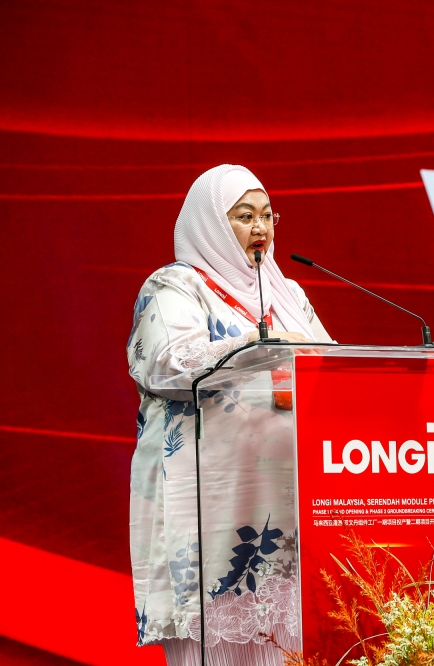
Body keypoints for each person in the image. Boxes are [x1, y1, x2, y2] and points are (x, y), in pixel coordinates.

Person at [127, 164, 333, 665]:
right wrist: (257, 344)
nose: (260, 227)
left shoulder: (288, 294)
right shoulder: (176, 285)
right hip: (208, 496)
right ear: (210, 224)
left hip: (289, 495)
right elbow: (166, 363)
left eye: (267, 215)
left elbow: (332, 364)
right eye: (243, 216)